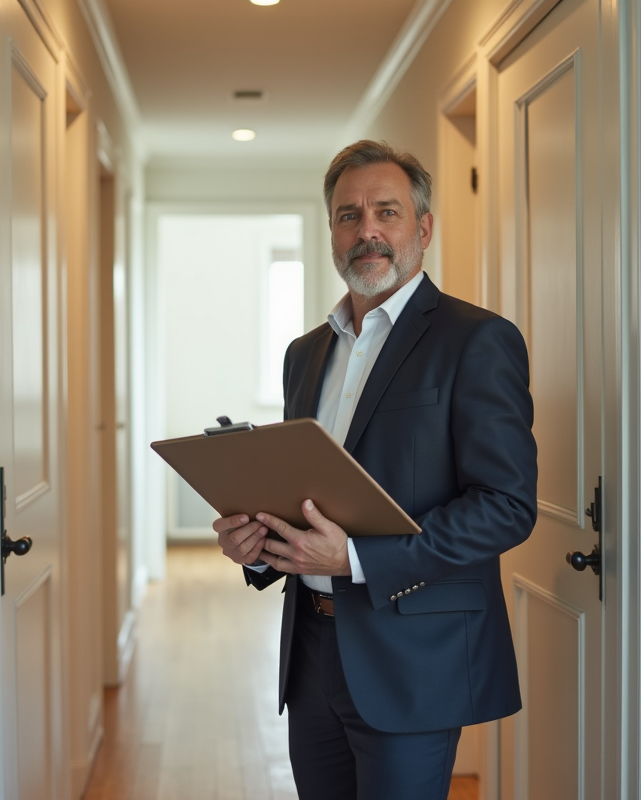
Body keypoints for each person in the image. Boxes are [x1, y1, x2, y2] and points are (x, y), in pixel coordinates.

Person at [213, 140, 537, 800]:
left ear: (422, 228)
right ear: (330, 230)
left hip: (413, 660)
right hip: (308, 658)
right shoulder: (305, 354)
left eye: (385, 212)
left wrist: (357, 558)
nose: (367, 231)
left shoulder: (476, 340)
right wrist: (256, 549)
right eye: (347, 215)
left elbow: (507, 504)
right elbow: (302, 497)